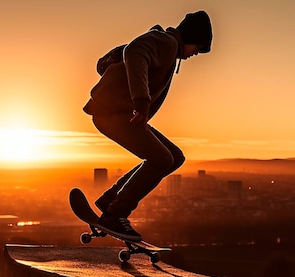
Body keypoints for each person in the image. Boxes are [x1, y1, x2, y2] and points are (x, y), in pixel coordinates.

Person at [83, 10, 213, 242]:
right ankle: (116, 213)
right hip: (112, 113)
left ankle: (112, 198)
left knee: (174, 156)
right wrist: (141, 103)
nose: (195, 54)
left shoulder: (167, 46)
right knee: (162, 159)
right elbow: (134, 51)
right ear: (192, 37)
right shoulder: (167, 43)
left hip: (120, 113)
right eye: (199, 48)